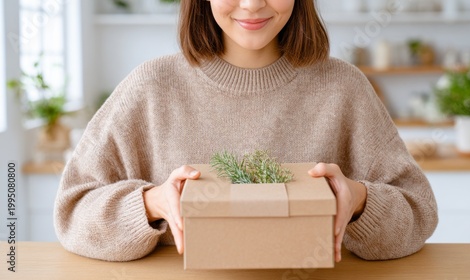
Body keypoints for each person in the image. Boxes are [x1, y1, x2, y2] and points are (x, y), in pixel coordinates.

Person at [54, 0, 438, 263]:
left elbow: (418, 215)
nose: (252, 3)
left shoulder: (344, 88)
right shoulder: (151, 87)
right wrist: (152, 204)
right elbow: (71, 216)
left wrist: (360, 201)